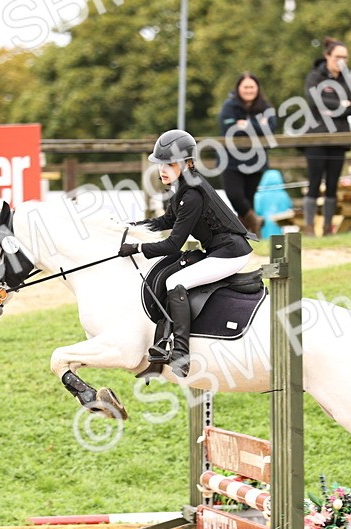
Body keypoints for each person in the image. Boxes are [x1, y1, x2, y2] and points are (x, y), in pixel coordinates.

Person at [121, 130, 253, 377]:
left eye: (170, 164)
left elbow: (172, 245)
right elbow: (168, 219)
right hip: (217, 249)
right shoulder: (182, 186)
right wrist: (131, 227)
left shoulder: (191, 194)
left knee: (175, 281)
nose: (163, 170)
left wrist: (138, 248)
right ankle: (160, 350)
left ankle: (181, 354)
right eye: (161, 164)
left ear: (188, 163)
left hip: (231, 253)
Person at [301, 36, 351, 235]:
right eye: (337, 56)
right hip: (316, 137)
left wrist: (331, 108)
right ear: (327, 56)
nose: (341, 61)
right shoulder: (315, 76)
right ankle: (309, 227)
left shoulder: (347, 80)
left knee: (333, 185)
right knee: (314, 183)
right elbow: (313, 100)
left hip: (339, 138)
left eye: (345, 57)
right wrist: (342, 105)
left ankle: (327, 228)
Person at [218, 72, 277, 236]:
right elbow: (229, 130)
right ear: (238, 88)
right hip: (230, 159)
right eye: (245, 87)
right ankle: (254, 222)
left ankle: (245, 236)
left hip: (256, 160)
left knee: (249, 198)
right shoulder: (229, 106)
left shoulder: (266, 107)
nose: (249, 90)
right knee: (235, 195)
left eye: (252, 87)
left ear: (257, 88)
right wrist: (258, 126)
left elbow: (270, 129)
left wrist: (247, 125)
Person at [253, 169, 295, 239]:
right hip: (281, 224)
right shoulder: (284, 195)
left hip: (265, 225)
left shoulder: (259, 195)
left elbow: (257, 210)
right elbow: (289, 207)